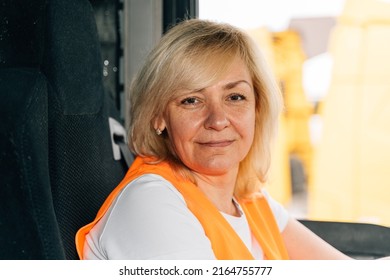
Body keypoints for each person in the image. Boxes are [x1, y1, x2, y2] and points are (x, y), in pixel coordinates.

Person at [75, 19, 352, 260]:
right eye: (191, 100)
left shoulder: (251, 201)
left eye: (235, 97)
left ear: (257, 109)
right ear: (159, 117)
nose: (218, 120)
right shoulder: (150, 203)